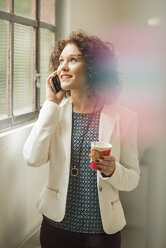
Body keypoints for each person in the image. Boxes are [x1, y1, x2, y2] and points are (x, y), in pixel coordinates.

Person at [23, 31, 140, 248]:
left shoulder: (125, 118)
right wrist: (51, 104)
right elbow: (32, 158)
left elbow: (133, 178)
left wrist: (113, 170)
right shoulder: (53, 113)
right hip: (57, 226)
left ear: (93, 68)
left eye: (73, 59)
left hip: (102, 230)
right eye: (61, 61)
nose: (63, 67)